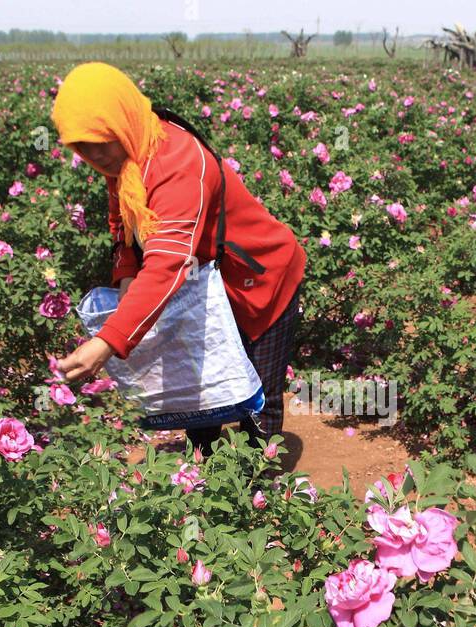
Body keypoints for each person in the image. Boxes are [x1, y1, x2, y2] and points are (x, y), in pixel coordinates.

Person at [50, 62, 306, 456]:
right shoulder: (128, 158)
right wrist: (125, 282)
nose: (93, 154)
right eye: (81, 146)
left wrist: (108, 342)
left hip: (257, 279)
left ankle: (256, 492)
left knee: (256, 392)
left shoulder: (177, 163)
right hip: (204, 284)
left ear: (124, 120)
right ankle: (204, 475)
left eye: (101, 140)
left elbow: (167, 263)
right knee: (201, 386)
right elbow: (125, 228)